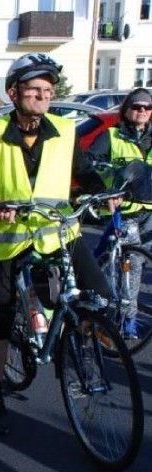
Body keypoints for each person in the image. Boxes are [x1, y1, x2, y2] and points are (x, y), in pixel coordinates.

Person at [0, 53, 116, 435]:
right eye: (34, 90)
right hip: (7, 242)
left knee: (99, 297)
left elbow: (85, 173)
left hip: (57, 234)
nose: (43, 97)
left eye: (48, 91)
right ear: (14, 93)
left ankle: (75, 341)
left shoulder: (64, 131)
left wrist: (100, 192)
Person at [86, 87, 152, 339]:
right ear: (126, 109)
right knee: (132, 266)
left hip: (150, 212)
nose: (142, 111)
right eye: (137, 106)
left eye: (147, 107)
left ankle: (93, 278)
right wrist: (110, 183)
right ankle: (128, 321)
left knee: (120, 260)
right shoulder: (111, 136)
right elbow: (90, 165)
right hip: (126, 212)